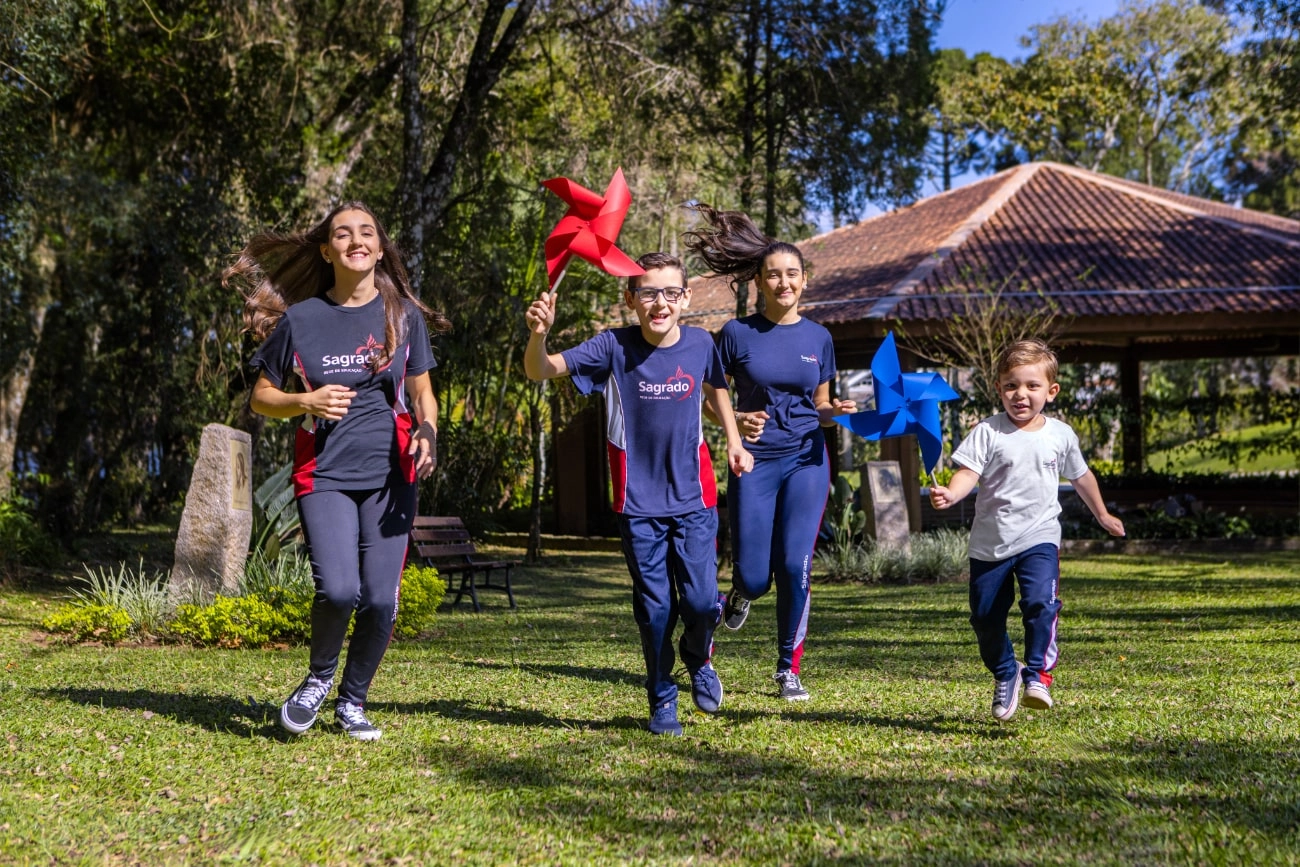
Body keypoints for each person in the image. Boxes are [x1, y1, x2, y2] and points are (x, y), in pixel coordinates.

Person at [227, 201, 449, 741]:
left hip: (393, 475)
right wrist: (306, 400)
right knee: (339, 590)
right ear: (327, 251)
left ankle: (353, 701)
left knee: (379, 597)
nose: (356, 241)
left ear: (379, 246)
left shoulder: (404, 317)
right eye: (343, 234)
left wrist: (428, 431)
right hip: (323, 473)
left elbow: (423, 394)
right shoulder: (302, 319)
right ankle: (317, 681)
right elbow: (260, 398)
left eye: (366, 232)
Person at [524, 252, 753, 736]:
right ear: (630, 299)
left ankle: (698, 657)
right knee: (655, 609)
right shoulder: (612, 346)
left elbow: (717, 391)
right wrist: (539, 333)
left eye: (671, 292)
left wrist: (733, 439)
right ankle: (661, 696)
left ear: (686, 297)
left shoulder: (701, 345)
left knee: (699, 600)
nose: (660, 302)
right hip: (637, 503)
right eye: (648, 292)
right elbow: (540, 370)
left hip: (696, 498)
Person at [683, 205, 854, 702]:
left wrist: (834, 410)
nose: (784, 282)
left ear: (804, 281)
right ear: (758, 281)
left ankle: (787, 669)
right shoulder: (737, 334)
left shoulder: (819, 338)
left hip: (807, 458)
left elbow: (820, 404)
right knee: (756, 577)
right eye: (774, 275)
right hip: (754, 461)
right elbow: (710, 399)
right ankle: (738, 595)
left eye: (793, 274)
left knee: (796, 565)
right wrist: (736, 421)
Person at [929, 339, 1125, 721]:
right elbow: (968, 471)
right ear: (999, 389)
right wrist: (951, 494)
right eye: (1011, 386)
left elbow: (1081, 476)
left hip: (1039, 538)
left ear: (1051, 391)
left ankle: (1038, 675)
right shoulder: (988, 431)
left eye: (1032, 386)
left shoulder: (1061, 435)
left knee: (1040, 604)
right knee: (985, 619)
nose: (1021, 394)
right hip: (990, 545)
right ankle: (1007, 671)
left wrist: (1101, 514)